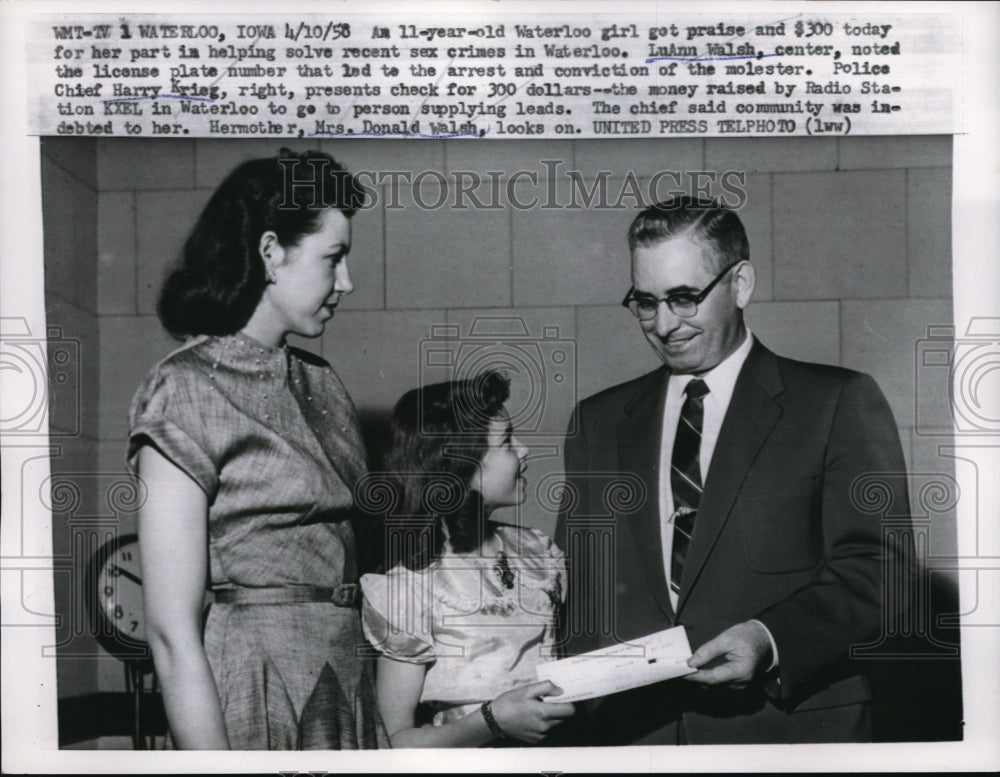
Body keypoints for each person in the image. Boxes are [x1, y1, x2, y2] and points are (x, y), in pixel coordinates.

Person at [557, 196, 912, 745]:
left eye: (683, 298)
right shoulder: (598, 422)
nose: (664, 325)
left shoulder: (835, 402)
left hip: (787, 733)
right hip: (635, 739)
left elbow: (881, 574)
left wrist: (770, 638)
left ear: (741, 283)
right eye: (645, 303)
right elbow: (581, 589)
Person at [128, 149, 387, 749]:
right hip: (247, 687)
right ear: (271, 252)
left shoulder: (322, 383)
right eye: (334, 258)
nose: (346, 282)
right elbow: (170, 633)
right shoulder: (182, 388)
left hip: (343, 675)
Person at [359, 371, 576, 747]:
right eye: (507, 441)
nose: (523, 450)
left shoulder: (537, 551)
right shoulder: (409, 584)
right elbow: (395, 741)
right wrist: (491, 722)